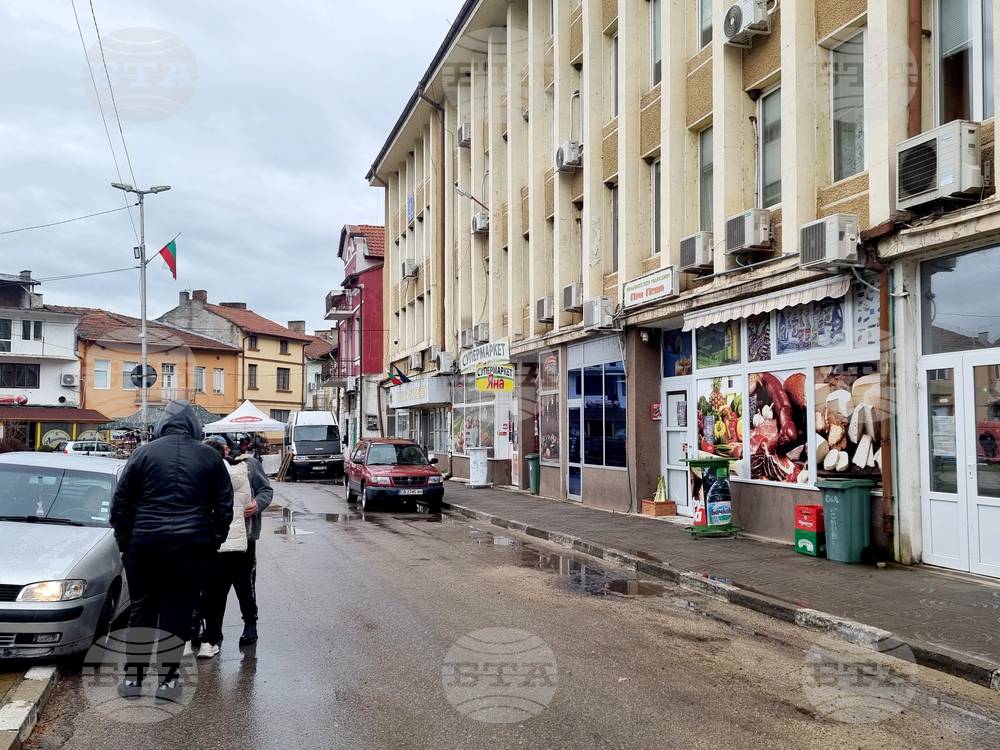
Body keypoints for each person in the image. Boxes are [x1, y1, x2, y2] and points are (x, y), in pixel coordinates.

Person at [110, 400, 233, 704]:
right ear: (194, 426)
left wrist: (126, 543)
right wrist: (213, 541)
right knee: (178, 612)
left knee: (142, 609)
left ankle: (132, 679)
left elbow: (120, 504)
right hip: (193, 545)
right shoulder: (210, 457)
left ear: (161, 425)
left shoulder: (142, 453)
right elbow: (225, 507)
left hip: (146, 542)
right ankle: (167, 682)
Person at [197, 438, 253, 658]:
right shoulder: (240, 473)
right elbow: (248, 503)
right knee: (227, 592)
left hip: (207, 541)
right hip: (234, 542)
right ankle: (211, 640)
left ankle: (208, 636)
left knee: (206, 593)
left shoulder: (203, 475)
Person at [231, 443, 272, 645]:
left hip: (245, 535)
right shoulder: (209, 464)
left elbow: (266, 489)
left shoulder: (251, 464)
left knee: (245, 583)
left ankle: (250, 624)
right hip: (213, 537)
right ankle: (206, 628)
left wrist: (257, 505)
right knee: (210, 587)